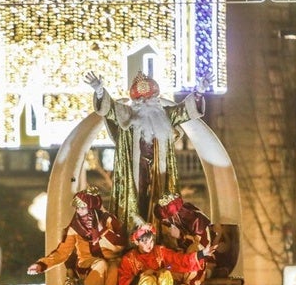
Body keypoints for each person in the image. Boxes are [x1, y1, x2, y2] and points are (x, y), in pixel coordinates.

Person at [85, 70, 210, 228]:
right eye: (141, 99)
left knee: (159, 200)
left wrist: (199, 92)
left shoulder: (165, 115)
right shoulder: (126, 114)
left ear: (156, 99)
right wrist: (100, 91)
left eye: (149, 99)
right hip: (135, 169)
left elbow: (184, 110)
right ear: (135, 101)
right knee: (136, 200)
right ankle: (136, 234)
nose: (145, 102)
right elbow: (109, 108)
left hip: (159, 169)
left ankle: (161, 234)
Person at [28, 187, 126, 285]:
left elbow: (120, 246)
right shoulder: (74, 227)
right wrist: (41, 265)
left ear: (92, 207)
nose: (79, 211)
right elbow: (62, 252)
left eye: (82, 207)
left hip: (112, 261)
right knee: (101, 264)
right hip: (87, 264)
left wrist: (102, 231)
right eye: (77, 208)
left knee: (114, 270)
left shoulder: (109, 220)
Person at [118, 223, 214, 285]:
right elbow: (124, 284)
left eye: (151, 241)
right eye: (145, 242)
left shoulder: (159, 251)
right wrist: (141, 277)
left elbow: (177, 261)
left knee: (166, 274)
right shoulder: (129, 259)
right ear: (136, 242)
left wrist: (202, 253)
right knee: (148, 280)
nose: (149, 245)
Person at [153, 193, 217, 285]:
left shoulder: (197, 222)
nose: (165, 222)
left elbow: (200, 250)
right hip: (181, 260)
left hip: (197, 261)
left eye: (165, 219)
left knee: (192, 252)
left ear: (174, 215)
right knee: (167, 269)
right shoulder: (172, 225)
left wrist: (180, 236)